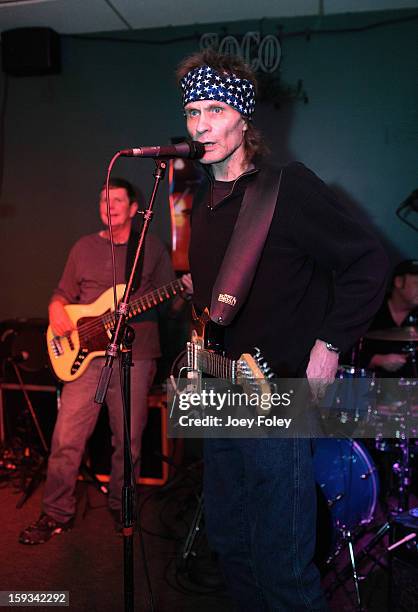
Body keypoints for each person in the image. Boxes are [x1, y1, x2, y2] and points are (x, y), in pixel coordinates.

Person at [176, 49, 388, 610]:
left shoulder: (285, 188)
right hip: (220, 394)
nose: (200, 124)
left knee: (281, 562)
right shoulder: (200, 201)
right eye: (192, 110)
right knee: (232, 546)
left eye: (215, 109)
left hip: (275, 396)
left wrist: (330, 343)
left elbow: (369, 261)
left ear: (244, 118)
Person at [19, 177, 192, 545]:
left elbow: (171, 308)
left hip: (136, 353)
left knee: (127, 440)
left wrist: (184, 292)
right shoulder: (82, 247)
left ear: (133, 209)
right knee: (66, 438)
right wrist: (55, 310)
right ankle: (55, 513)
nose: (108, 206)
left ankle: (121, 506)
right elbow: (61, 293)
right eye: (103, 201)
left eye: (116, 200)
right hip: (82, 355)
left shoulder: (152, 248)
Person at [360, 259, 418, 378]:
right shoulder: (372, 308)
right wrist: (376, 360)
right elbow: (349, 351)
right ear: (398, 282)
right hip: (370, 386)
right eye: (417, 283)